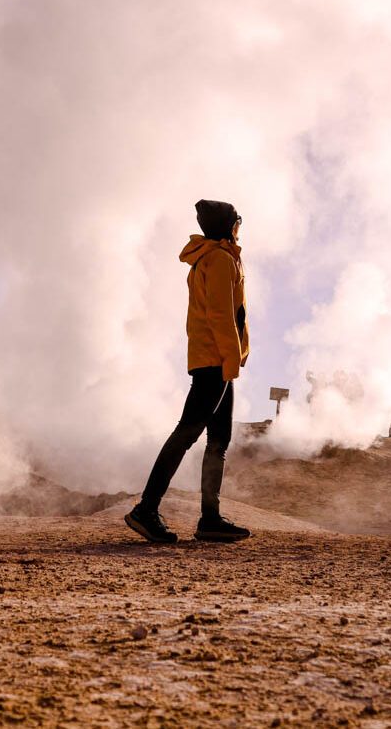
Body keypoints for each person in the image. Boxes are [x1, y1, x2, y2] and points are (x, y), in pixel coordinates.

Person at [125, 200, 251, 544]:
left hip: (215, 359)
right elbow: (222, 316)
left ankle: (210, 519)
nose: (240, 226)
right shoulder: (221, 259)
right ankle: (146, 510)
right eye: (237, 220)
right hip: (216, 361)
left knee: (218, 441)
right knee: (187, 434)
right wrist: (230, 359)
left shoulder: (210, 258)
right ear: (228, 225)